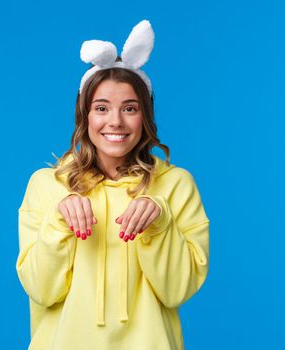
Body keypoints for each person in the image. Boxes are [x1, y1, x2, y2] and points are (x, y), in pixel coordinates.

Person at [16, 19, 210, 350]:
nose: (115, 121)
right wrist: (57, 221)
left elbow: (178, 290)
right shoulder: (46, 185)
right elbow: (41, 290)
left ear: (145, 116)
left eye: (130, 108)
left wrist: (160, 222)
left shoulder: (177, 185)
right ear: (85, 115)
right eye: (101, 108)